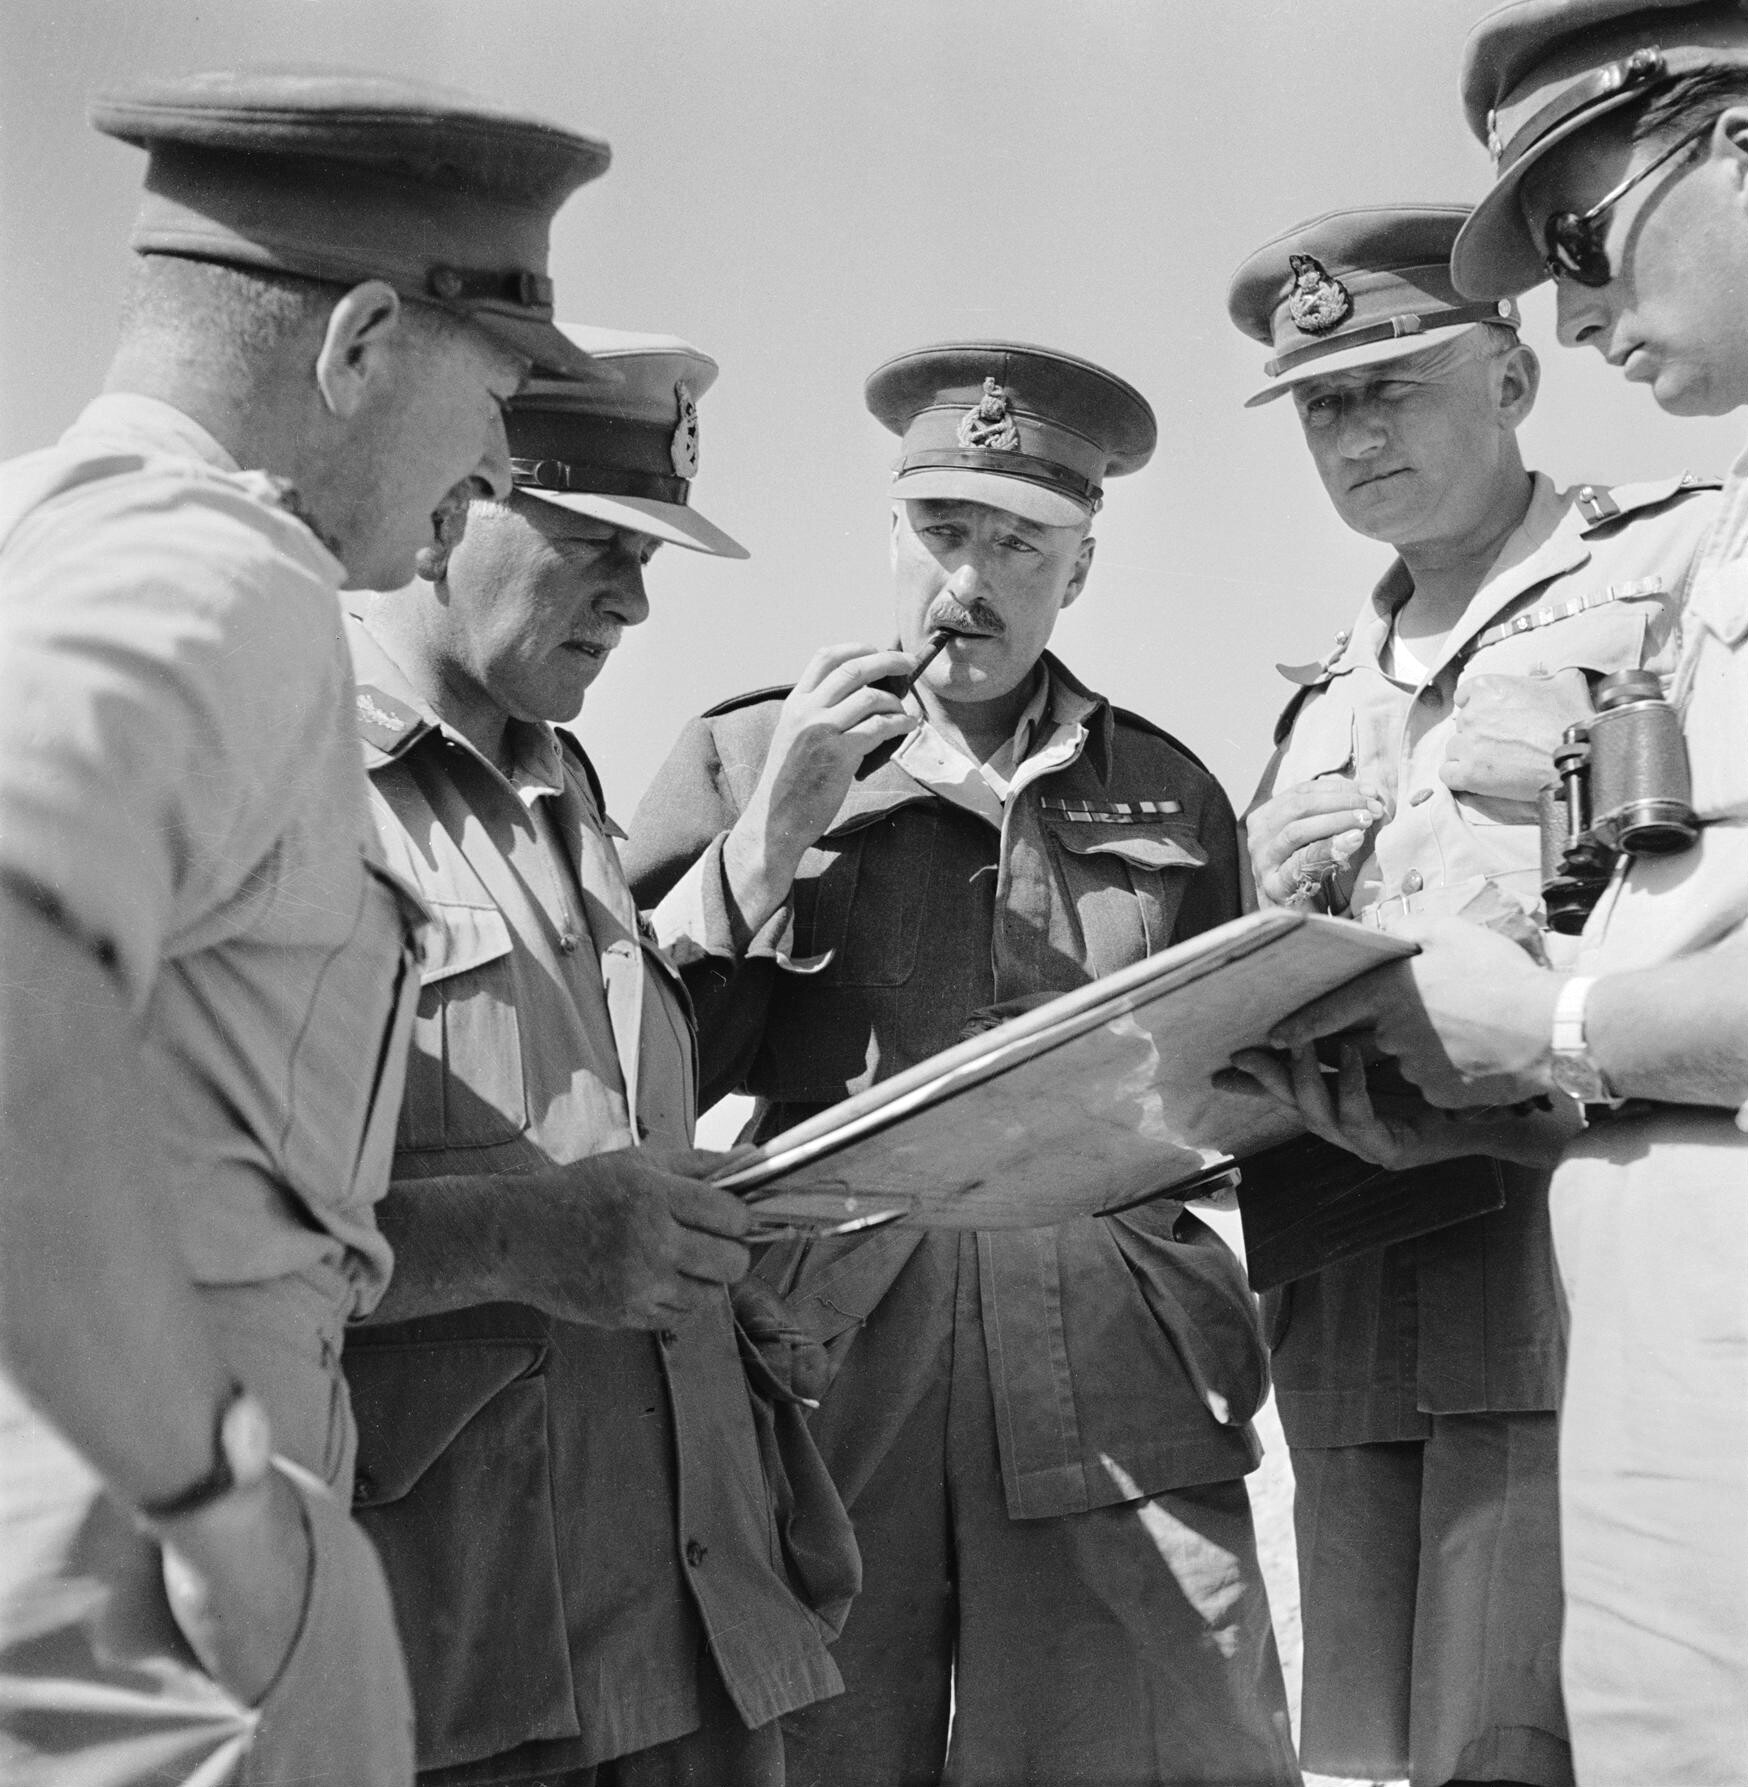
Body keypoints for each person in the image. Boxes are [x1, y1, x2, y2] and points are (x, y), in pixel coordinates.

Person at [0, 70, 608, 1787]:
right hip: (134, 1620)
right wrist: (212, 1499)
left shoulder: (40, 528)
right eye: (493, 395)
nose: (495, 463)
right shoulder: (225, 570)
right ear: (359, 343)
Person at [622, 342, 1300, 1787]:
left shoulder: (1170, 788)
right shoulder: (750, 751)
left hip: (1115, 1356)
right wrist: (768, 844)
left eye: (1019, 546)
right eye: (941, 531)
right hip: (828, 1351)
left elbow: (1236, 1092)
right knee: (807, 1744)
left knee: (1154, 1748)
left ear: (1081, 569)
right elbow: (629, 1067)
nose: (969, 582)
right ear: (890, 533)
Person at [1230, 6, 1748, 1779]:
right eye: (1320, 410)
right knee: (1375, 1758)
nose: (1352, 437)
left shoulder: (1680, 557)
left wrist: (1550, 1021)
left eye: (1386, 388)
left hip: (1587, 1282)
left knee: (1560, 1740)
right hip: (1360, 1289)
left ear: (1512, 383)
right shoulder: (1309, 699)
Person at [344, 325, 857, 1787]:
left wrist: (715, 1270)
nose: (634, 601)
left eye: (648, 558)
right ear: (449, 506)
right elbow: (173, 1232)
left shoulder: (557, 777)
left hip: (689, 1632)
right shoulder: (289, 774)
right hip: (463, 1655)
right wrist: (527, 1238)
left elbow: (593, 1115)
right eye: (592, 546)